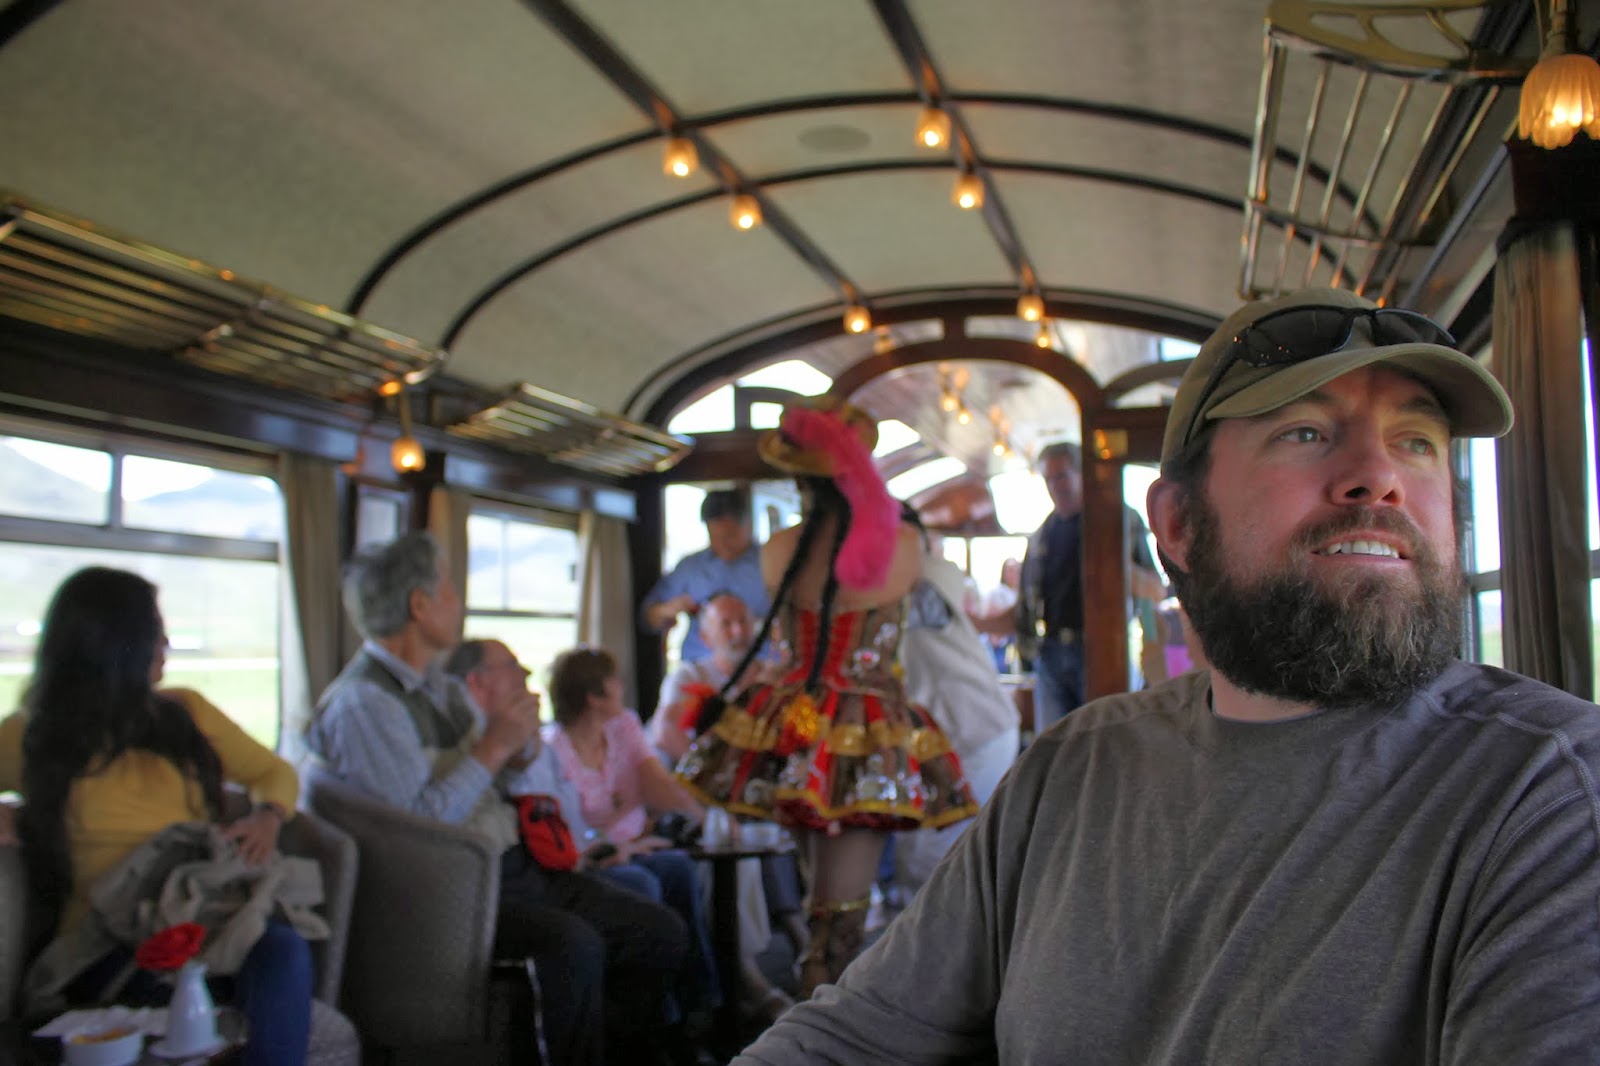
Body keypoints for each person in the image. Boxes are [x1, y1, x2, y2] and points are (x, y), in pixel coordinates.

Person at [729, 287, 1600, 1064]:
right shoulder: (1073, 769)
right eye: (1305, 433)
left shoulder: (1548, 796)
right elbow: (855, 1035)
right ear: (1178, 523)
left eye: (1417, 442)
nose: (1379, 477)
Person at [305, 532, 689, 1066]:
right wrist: (493, 747)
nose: (457, 604)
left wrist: (519, 746)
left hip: (514, 865)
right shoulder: (366, 706)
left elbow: (504, 780)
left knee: (658, 931)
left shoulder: (439, 689)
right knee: (574, 945)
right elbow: (417, 832)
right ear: (419, 605)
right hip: (452, 892)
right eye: (448, 591)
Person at [676, 396, 979, 998]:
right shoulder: (902, 546)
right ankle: (821, 1022)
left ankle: (811, 1009)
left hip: (794, 721)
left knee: (820, 894)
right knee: (839, 919)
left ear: (798, 480)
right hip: (865, 729)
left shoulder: (778, 549)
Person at [0, 567, 312, 1066]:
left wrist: (269, 816)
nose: (165, 644)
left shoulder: (186, 713)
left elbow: (274, 772)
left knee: (283, 950)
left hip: (198, 913)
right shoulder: (30, 736)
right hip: (106, 937)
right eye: (154, 631)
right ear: (113, 646)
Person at [544, 646, 720, 1021]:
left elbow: (656, 782)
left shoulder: (623, 726)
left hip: (636, 842)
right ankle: (656, 1009)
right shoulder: (554, 750)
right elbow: (567, 826)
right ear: (594, 697)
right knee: (642, 883)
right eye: (614, 682)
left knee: (678, 867)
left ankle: (701, 997)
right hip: (593, 856)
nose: (621, 687)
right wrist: (617, 845)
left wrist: (704, 817)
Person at [974, 441, 1163, 731]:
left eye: (1062, 476)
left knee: (1105, 739)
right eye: (1049, 478)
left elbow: (1155, 589)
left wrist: (1117, 564)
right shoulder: (1041, 537)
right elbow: (1023, 611)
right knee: (1056, 746)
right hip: (1050, 654)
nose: (1055, 486)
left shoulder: (1119, 521)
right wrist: (974, 623)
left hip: (1102, 650)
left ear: (1082, 474)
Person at [895, 525, 1021, 893]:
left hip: (977, 732)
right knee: (921, 851)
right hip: (957, 732)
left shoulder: (924, 586)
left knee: (932, 857)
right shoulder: (918, 583)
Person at [641, 489, 769, 663]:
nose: (723, 545)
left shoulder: (770, 562)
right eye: (714, 537)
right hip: (699, 665)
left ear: (748, 525)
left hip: (759, 665)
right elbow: (647, 618)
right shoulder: (690, 567)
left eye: (729, 536)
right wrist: (667, 610)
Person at [649, 590, 757, 763]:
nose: (738, 631)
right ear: (705, 637)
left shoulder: (771, 674)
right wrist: (706, 770)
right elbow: (664, 731)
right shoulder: (688, 676)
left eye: (743, 621)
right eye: (726, 624)